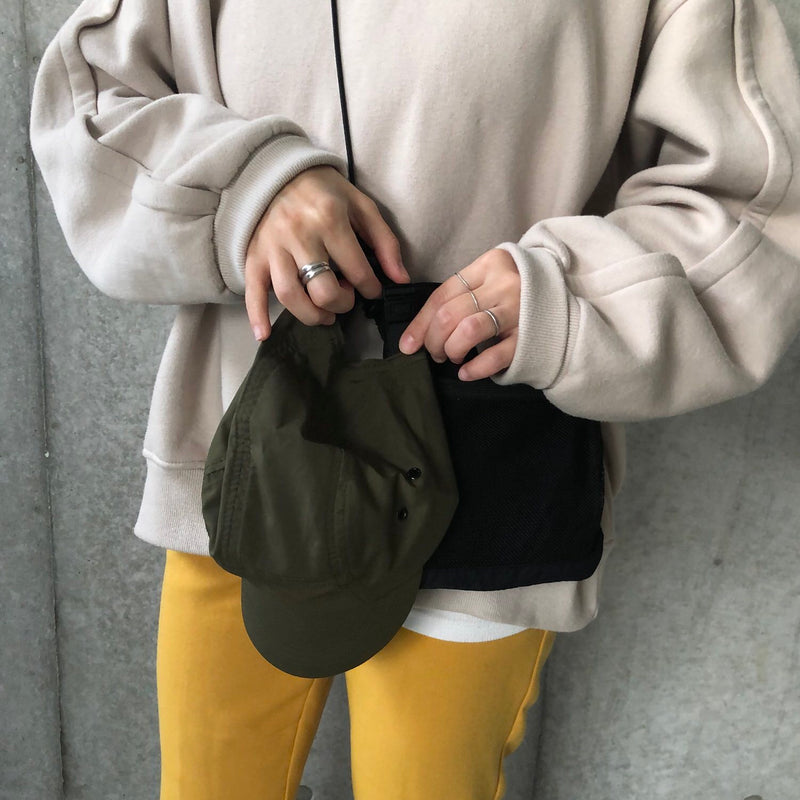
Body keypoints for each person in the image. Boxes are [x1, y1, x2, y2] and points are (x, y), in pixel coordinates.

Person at [29, 0, 800, 797]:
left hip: (490, 459)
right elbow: (90, 98)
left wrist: (572, 297)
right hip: (249, 451)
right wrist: (243, 187)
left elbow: (755, 198)